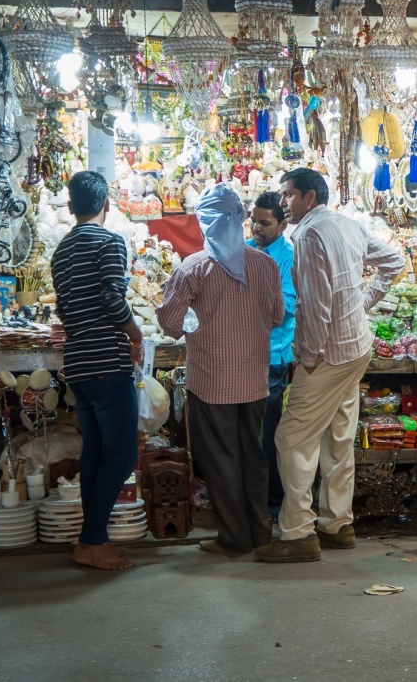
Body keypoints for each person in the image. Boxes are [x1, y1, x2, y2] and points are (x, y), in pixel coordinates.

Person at [255, 168, 405, 564]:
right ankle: (337, 524)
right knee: (338, 436)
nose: (283, 203)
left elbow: (316, 305)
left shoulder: (308, 235)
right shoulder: (347, 224)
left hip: (328, 355)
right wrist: (361, 303)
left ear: (309, 197)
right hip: (356, 348)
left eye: (288, 195)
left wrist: (308, 358)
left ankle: (298, 533)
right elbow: (394, 261)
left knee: (292, 438)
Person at [157, 184, 284, 555]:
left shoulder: (195, 267)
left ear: (205, 222)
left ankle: (233, 538)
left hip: (212, 383)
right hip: (255, 379)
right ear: (240, 219)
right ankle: (259, 532)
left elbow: (170, 324)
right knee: (253, 457)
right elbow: (277, 316)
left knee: (222, 460)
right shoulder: (265, 264)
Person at [50, 171, 142, 571]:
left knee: (95, 453)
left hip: (79, 363)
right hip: (107, 361)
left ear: (71, 207)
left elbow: (64, 308)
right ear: (106, 204)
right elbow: (111, 295)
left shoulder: (60, 252)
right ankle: (90, 542)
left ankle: (94, 539)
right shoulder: (109, 241)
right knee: (120, 456)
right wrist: (135, 333)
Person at [246, 191, 296, 525]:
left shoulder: (287, 258)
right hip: (246, 354)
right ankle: (252, 499)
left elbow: (289, 306)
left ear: (282, 224)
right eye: (254, 221)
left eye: (265, 223)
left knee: (268, 435)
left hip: (274, 357)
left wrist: (252, 301)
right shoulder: (246, 250)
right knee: (249, 432)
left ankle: (273, 504)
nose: (257, 228)